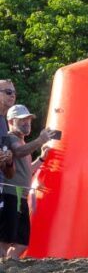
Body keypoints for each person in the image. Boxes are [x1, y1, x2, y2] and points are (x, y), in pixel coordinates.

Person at [0, 104, 50, 259]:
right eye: (22, 120)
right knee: (6, 240)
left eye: (28, 119)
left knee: (21, 242)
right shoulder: (10, 138)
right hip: (10, 193)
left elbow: (27, 169)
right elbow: (19, 152)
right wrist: (40, 140)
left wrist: (41, 158)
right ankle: (4, 268)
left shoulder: (22, 143)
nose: (27, 122)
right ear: (11, 121)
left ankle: (8, 266)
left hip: (20, 195)